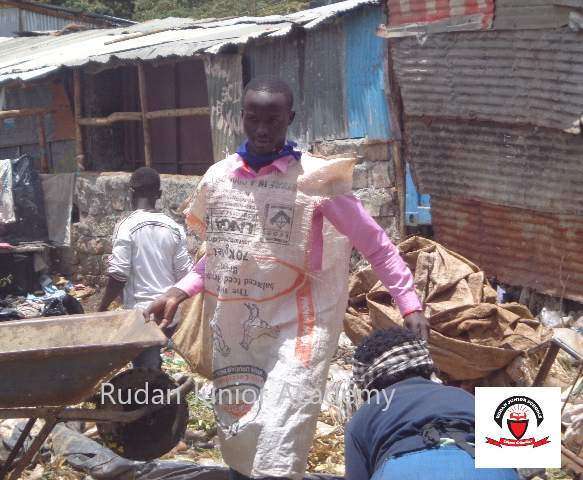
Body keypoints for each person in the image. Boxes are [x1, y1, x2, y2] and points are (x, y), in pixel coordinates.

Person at [144, 76, 430, 479]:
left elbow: (375, 244)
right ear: (240, 117)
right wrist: (179, 290)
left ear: (289, 119)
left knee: (284, 427)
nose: (262, 130)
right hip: (236, 324)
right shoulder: (218, 178)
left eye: (273, 120)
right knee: (240, 430)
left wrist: (409, 302)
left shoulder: (317, 180)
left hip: (299, 328)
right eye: (252, 119)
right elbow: (222, 255)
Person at [345, 327, 520, 480]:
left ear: (371, 386)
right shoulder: (467, 397)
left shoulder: (364, 415)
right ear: (427, 369)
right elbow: (514, 464)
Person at [98, 167, 193, 368]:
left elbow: (119, 274)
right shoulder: (174, 228)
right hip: (169, 315)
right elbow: (184, 274)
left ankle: (151, 396)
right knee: (151, 365)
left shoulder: (126, 226)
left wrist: (102, 308)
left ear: (131, 192)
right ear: (159, 195)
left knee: (145, 373)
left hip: (142, 314)